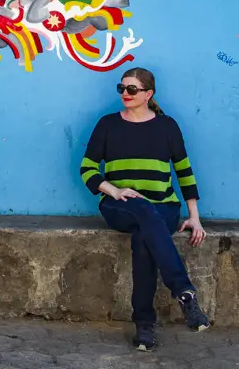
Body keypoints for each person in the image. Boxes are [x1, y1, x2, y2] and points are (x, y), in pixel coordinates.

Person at [80, 67, 210, 352]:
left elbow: (184, 173)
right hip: (119, 206)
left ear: (148, 94)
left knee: (144, 235)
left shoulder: (167, 126)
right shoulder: (107, 125)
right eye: (122, 88)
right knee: (142, 211)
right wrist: (114, 190)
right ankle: (184, 292)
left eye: (132, 89)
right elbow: (87, 168)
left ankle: (144, 326)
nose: (125, 94)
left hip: (162, 207)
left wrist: (194, 218)